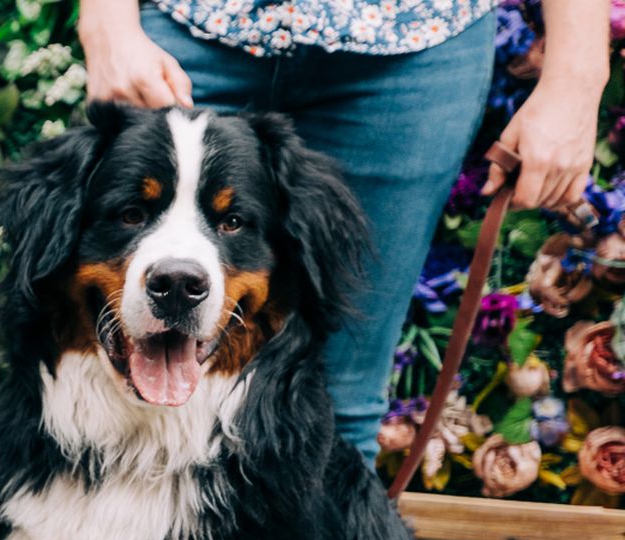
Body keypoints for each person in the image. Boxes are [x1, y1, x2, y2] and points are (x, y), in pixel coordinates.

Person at [77, 0, 610, 455]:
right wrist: (106, 21)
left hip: (413, 46)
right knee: (100, 380)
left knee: (341, 405)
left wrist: (577, 76)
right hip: (194, 23)